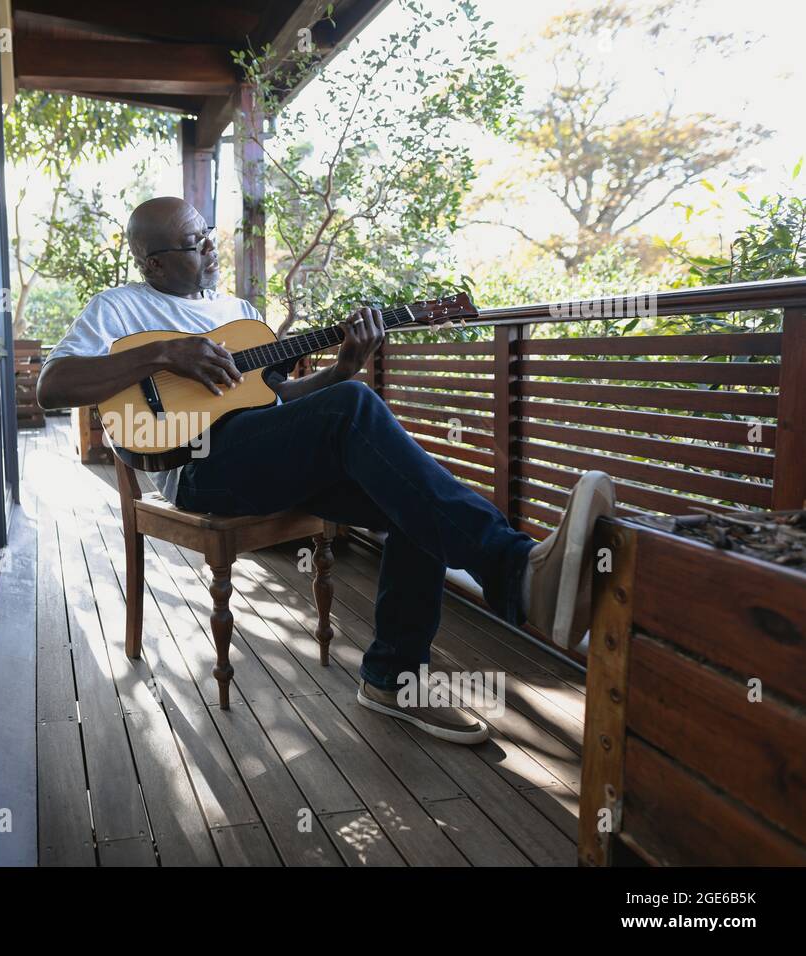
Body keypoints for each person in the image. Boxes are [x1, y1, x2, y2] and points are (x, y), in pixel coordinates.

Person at [37, 196, 614, 745]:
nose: (211, 246)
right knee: (361, 412)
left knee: (405, 491)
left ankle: (394, 678)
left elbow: (278, 401)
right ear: (154, 262)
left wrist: (340, 370)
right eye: (195, 241)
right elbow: (52, 387)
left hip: (258, 455)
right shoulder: (117, 308)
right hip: (199, 469)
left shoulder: (239, 314)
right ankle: (515, 573)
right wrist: (165, 354)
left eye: (209, 233)